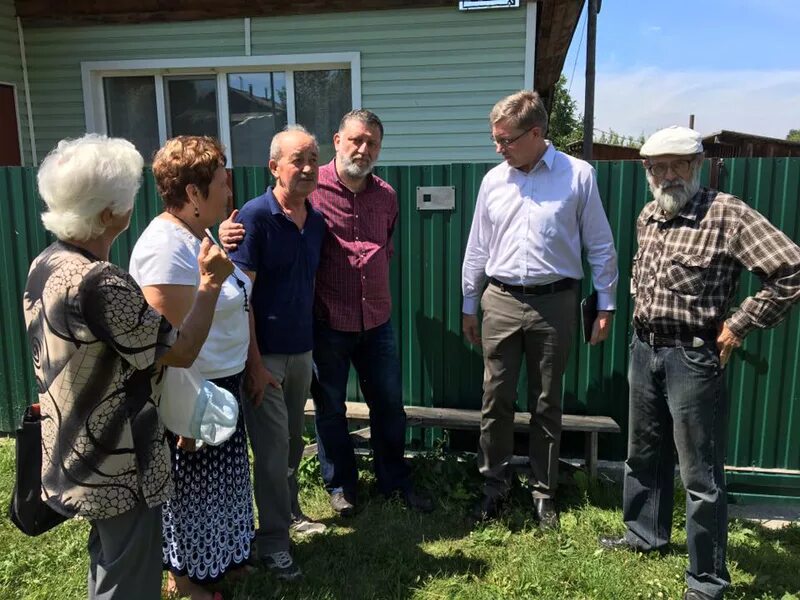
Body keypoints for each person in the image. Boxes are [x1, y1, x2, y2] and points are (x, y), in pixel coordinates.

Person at [22, 134, 233, 600]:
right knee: (131, 579)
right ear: (106, 214)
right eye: (125, 195)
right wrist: (210, 285)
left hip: (74, 446)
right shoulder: (101, 282)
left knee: (110, 561)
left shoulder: (47, 262)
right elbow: (180, 351)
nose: (132, 203)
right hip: (119, 460)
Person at [599, 126, 800, 600]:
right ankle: (644, 535)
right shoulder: (649, 215)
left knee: (700, 475)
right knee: (642, 454)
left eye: (677, 165)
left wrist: (738, 325)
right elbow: (640, 273)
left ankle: (706, 580)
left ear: (696, 166)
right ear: (647, 170)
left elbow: (790, 268)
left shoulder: (726, 214)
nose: (667, 175)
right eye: (657, 166)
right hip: (644, 348)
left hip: (692, 357)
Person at [220, 109, 432, 516]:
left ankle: (394, 480)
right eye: (356, 140)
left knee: (388, 405)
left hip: (377, 320)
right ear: (337, 141)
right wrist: (228, 233)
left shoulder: (386, 196)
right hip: (328, 322)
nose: (363, 149)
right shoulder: (312, 188)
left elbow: (385, 247)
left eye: (372, 142)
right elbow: (272, 210)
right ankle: (341, 486)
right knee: (330, 408)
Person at [461, 90, 618, 528]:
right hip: (502, 299)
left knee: (547, 401)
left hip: (556, 303)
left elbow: (600, 244)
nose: (499, 147)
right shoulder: (494, 181)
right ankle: (494, 486)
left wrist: (606, 303)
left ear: (536, 133)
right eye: (495, 139)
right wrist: (469, 303)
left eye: (506, 139)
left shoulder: (578, 175)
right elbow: (477, 248)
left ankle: (544, 491)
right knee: (496, 400)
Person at [128, 136, 255, 600]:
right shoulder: (165, 248)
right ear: (195, 193)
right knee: (191, 498)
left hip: (223, 383)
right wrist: (184, 414)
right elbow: (168, 347)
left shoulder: (196, 235)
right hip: (192, 396)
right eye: (223, 183)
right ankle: (188, 580)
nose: (230, 192)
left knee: (218, 489)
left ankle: (219, 558)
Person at [226, 125, 327, 581]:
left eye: (313, 159)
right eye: (297, 160)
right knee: (268, 451)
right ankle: (271, 543)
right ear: (274, 167)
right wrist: (253, 363)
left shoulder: (316, 220)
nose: (307, 168)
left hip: (301, 350)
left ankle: (288, 513)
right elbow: (239, 297)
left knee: (290, 443)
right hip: (263, 356)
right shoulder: (255, 217)